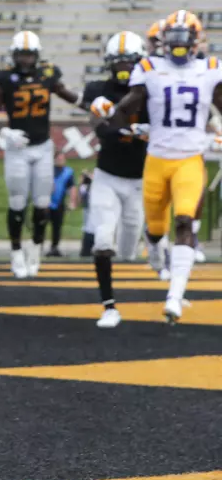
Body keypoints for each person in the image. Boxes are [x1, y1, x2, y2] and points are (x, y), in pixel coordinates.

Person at [95, 10, 222, 323]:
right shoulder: (149, 67)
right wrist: (110, 115)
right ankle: (156, 253)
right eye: (174, 39)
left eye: (184, 39)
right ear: (164, 41)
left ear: (196, 40)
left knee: (184, 220)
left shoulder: (211, 68)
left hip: (190, 159)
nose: (179, 46)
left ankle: (175, 297)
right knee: (154, 229)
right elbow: (132, 103)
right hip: (156, 159)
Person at [0, 31, 82, 278]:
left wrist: (92, 104)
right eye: (22, 55)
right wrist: (5, 133)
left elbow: (68, 96)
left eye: (29, 55)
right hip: (17, 148)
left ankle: (35, 249)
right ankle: (16, 252)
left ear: (36, 55)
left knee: (42, 205)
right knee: (17, 203)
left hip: (42, 147)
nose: (26, 60)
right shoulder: (3, 77)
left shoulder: (47, 74)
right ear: (14, 55)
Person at [82, 33, 149, 327]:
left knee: (128, 249)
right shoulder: (99, 90)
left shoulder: (151, 88)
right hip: (107, 176)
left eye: (128, 60)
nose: (122, 66)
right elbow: (99, 128)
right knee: (102, 240)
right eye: (118, 61)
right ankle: (109, 306)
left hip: (139, 180)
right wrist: (127, 132)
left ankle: (163, 264)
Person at [47, 153, 77, 256]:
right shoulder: (48, 170)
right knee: (41, 224)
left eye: (62, 158)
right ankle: (37, 245)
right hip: (45, 203)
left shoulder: (68, 172)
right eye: (58, 158)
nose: (60, 160)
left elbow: (72, 187)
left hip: (59, 203)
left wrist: (72, 201)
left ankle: (54, 247)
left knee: (57, 227)